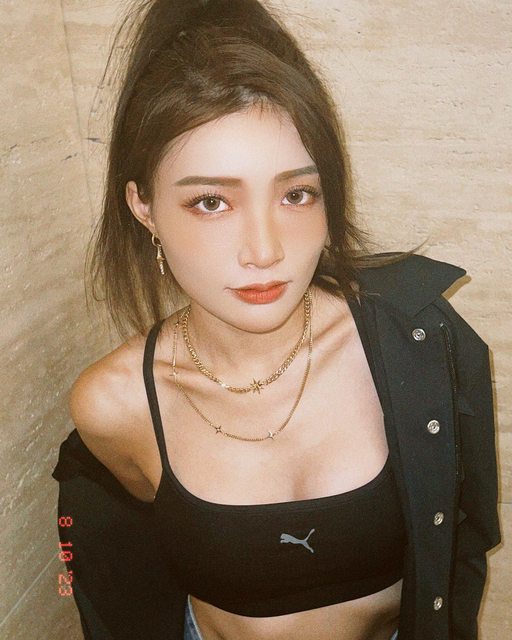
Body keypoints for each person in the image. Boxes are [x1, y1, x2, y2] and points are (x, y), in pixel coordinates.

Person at [51, 1, 500, 639]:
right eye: (211, 201)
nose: (264, 251)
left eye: (296, 194)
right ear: (143, 206)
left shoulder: (417, 341)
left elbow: (462, 542)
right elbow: (118, 577)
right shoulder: (115, 403)